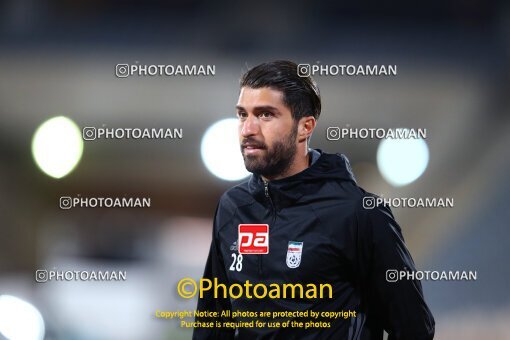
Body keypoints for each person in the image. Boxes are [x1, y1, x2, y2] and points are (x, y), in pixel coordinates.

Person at [193, 60, 435, 339]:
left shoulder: (359, 213)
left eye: (265, 115)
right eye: (242, 115)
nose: (248, 129)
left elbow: (414, 327)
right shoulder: (232, 208)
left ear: (305, 127)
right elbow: (212, 324)